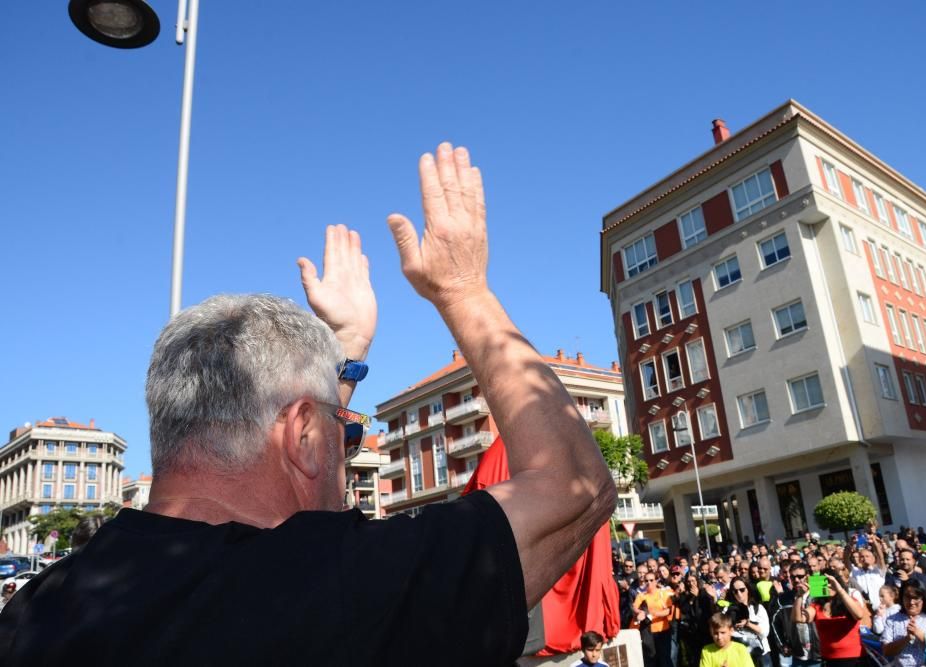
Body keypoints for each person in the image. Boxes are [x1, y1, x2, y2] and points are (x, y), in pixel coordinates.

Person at [0, 144, 618, 665]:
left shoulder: (43, 605)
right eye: (341, 428)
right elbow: (577, 489)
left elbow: (295, 443)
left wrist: (343, 353)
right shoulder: (342, 588)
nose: (348, 442)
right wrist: (463, 290)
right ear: (302, 435)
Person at [881, 580, 926, 667]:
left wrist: (921, 635)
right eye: (907, 597)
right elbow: (886, 651)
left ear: (923, 598)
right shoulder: (893, 619)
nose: (911, 602)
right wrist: (906, 639)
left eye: (916, 598)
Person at [726, 576, 772, 667]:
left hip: (761, 654)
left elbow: (764, 633)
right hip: (739, 655)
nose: (739, 594)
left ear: (748, 589)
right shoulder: (728, 610)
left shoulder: (758, 608)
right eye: (735, 591)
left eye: (742, 590)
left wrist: (748, 623)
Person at [634, 571, 676, 667]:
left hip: (663, 630)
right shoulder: (641, 595)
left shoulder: (663, 593)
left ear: (656, 581)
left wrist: (653, 614)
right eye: (646, 580)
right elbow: (635, 607)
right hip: (648, 632)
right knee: (651, 659)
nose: (649, 582)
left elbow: (668, 611)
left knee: (664, 658)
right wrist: (639, 612)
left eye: (651, 580)